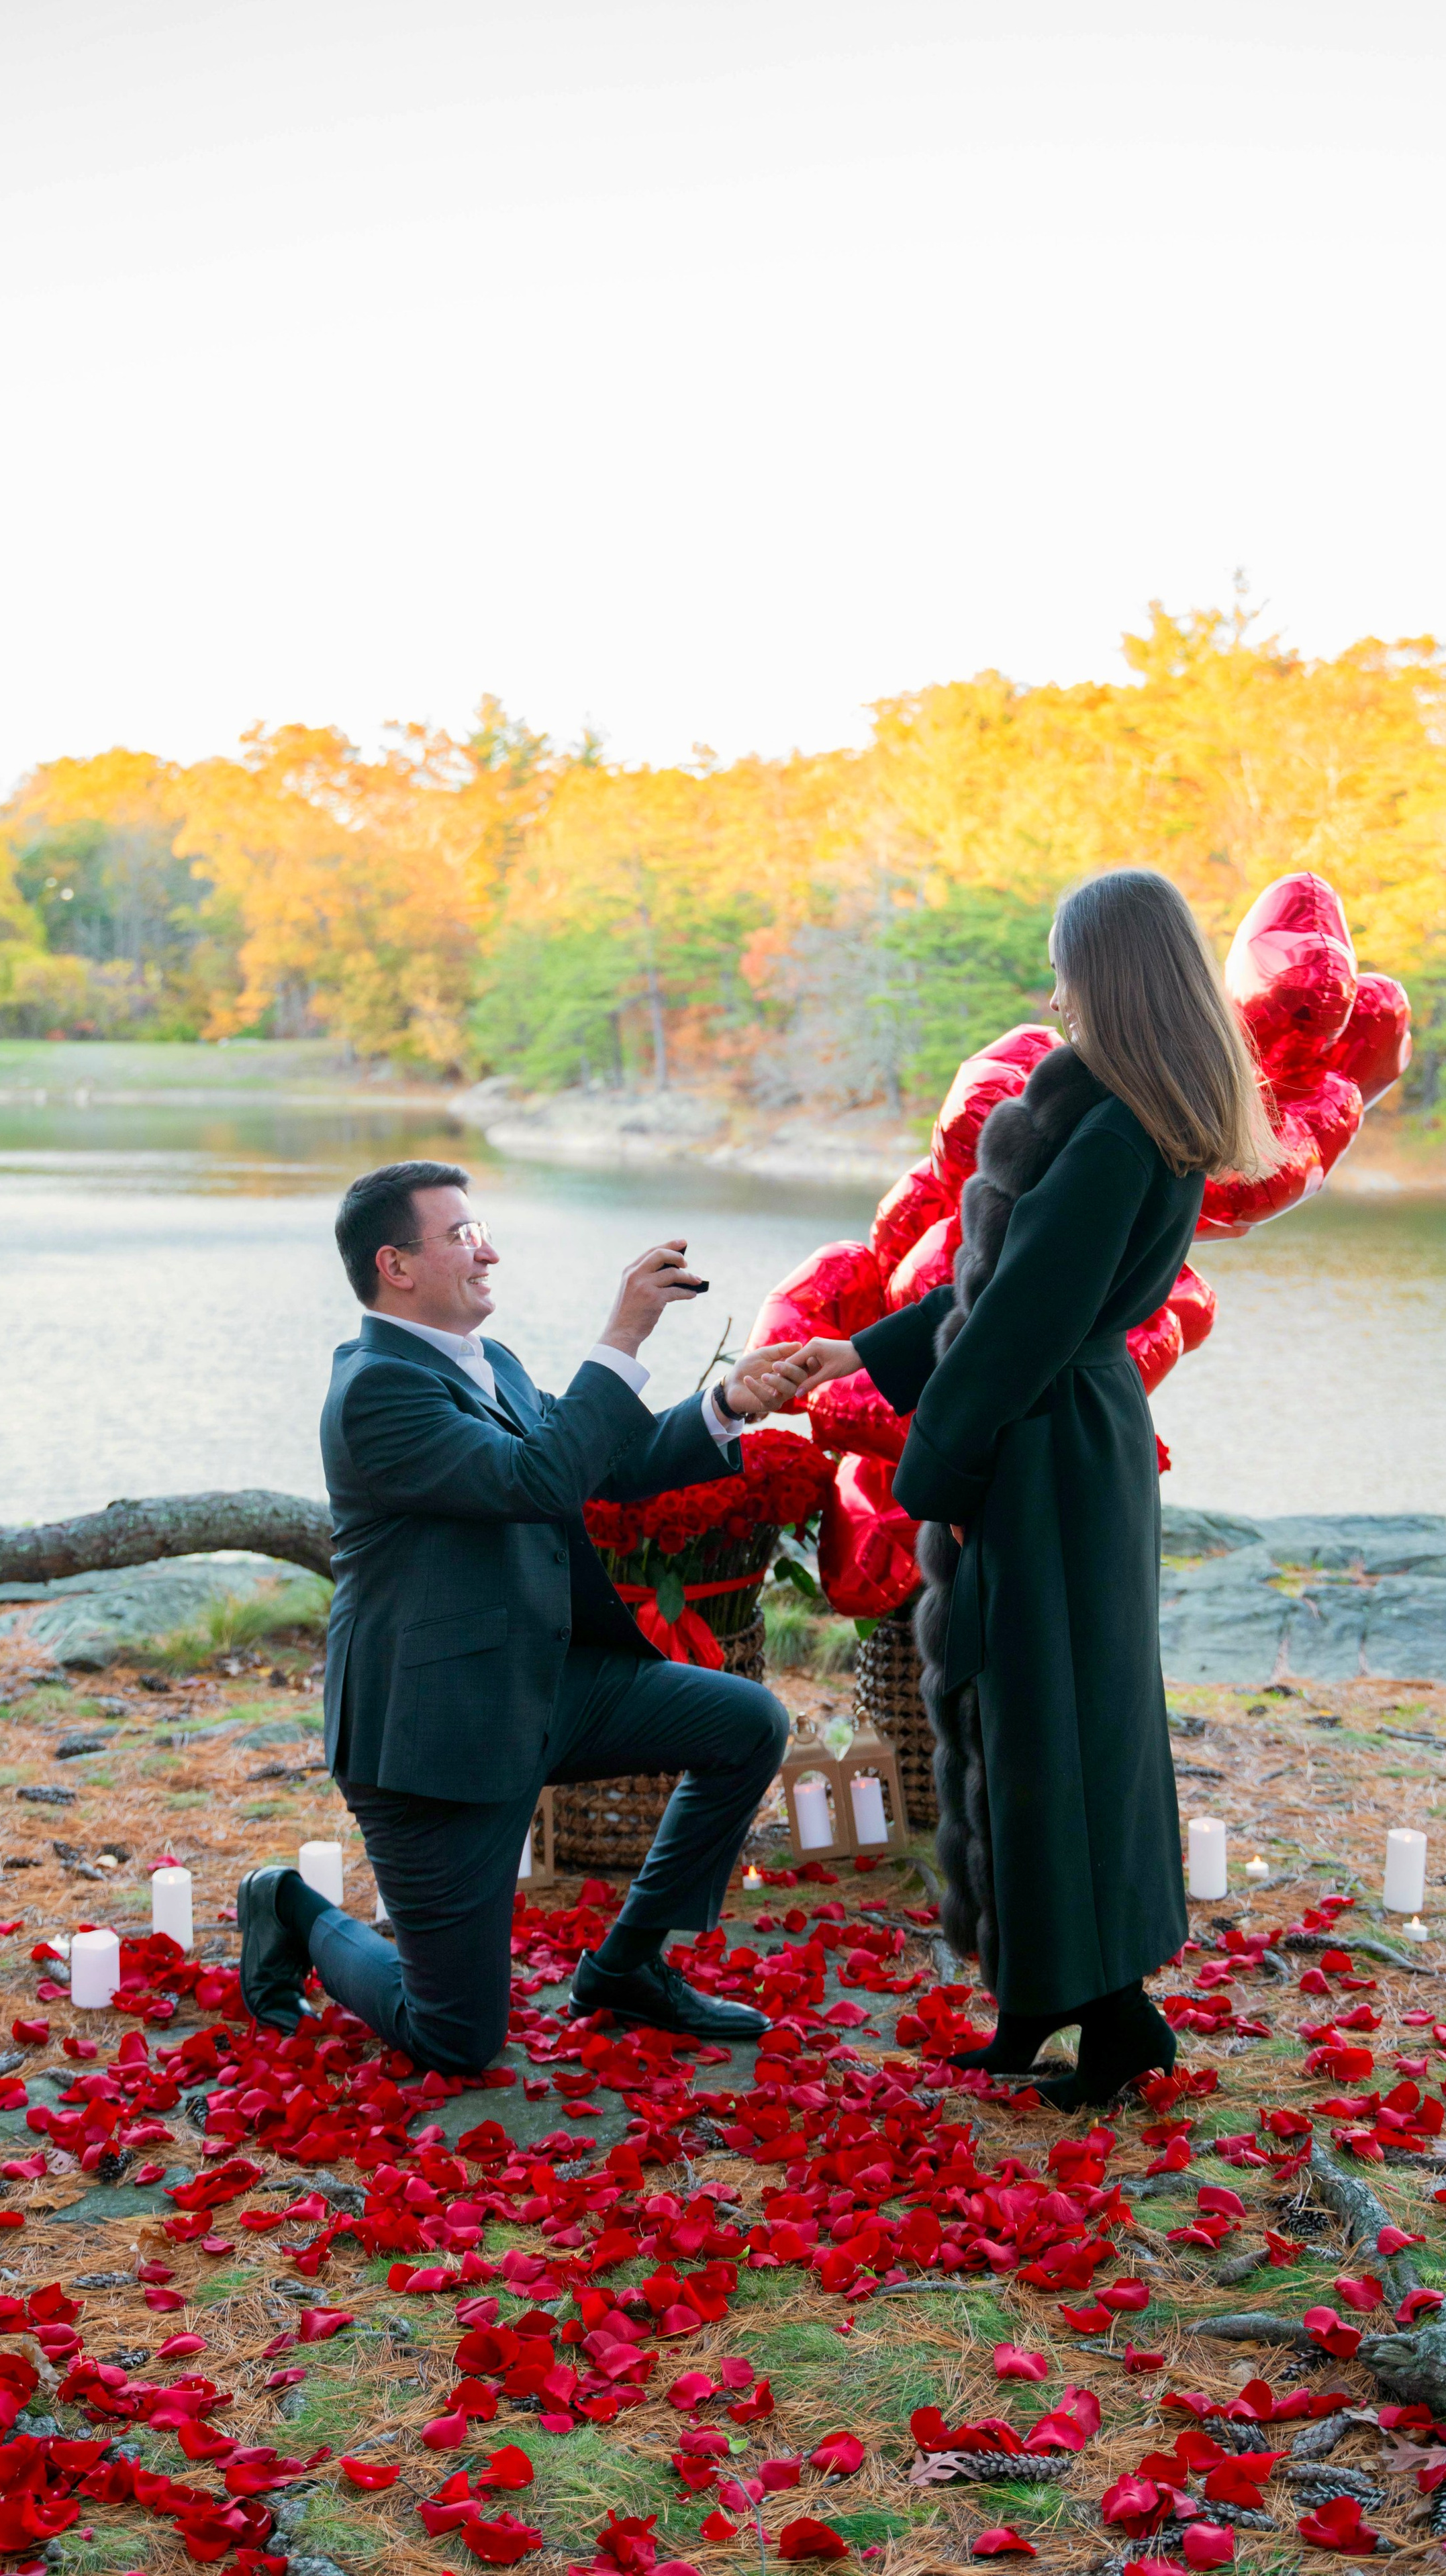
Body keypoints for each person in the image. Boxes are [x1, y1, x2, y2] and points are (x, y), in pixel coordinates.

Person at [781, 871, 1278, 2105]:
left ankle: (1106, 2022)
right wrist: (863, 1350)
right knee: (1050, 1725)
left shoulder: (1116, 1130)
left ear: (1109, 972)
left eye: (1067, 963)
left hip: (1048, 1444)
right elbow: (995, 1293)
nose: (1054, 987)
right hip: (1066, 1428)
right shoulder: (1124, 1106)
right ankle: (1059, 2003)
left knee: (1054, 1728)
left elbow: (1017, 1329)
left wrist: (936, 1472)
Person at [236, 1158, 803, 2069]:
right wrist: (623, 1330)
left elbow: (600, 1466)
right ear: (396, 1265)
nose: (487, 1249)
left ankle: (626, 1964)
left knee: (749, 1723)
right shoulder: (376, 1391)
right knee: (456, 2038)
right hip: (438, 1736)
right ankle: (290, 1907)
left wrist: (729, 1401)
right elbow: (535, 1481)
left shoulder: (487, 1360)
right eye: (460, 1235)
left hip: (547, 1684)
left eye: (480, 1227)